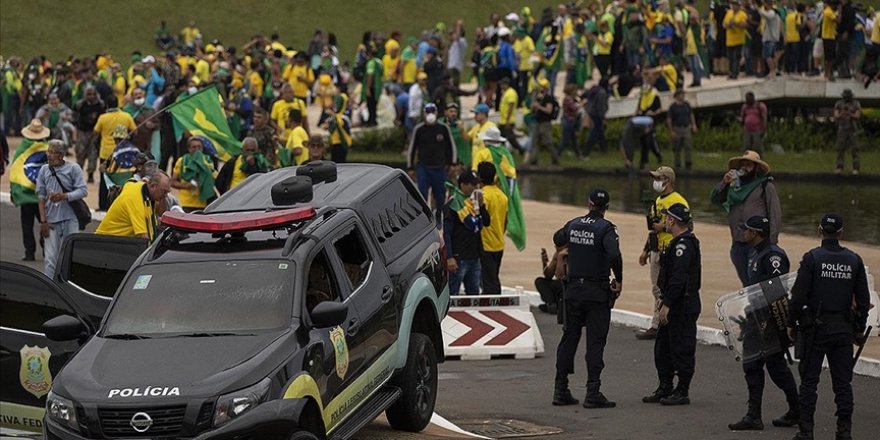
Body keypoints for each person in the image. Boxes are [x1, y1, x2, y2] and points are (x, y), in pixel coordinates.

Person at [787, 213, 870, 440]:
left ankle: (806, 432)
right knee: (843, 384)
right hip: (843, 330)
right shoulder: (854, 260)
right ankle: (844, 432)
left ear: (819, 230)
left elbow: (797, 297)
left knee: (809, 383)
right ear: (841, 233)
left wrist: (791, 323)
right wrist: (858, 329)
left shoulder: (812, 258)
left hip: (815, 329)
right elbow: (863, 300)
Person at [727, 215, 799, 431]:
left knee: (775, 368)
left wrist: (767, 320)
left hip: (768, 321)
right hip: (754, 317)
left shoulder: (773, 257)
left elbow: (776, 292)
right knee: (752, 365)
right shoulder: (754, 252)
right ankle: (754, 415)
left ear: (756, 233)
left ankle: (796, 410)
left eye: (747, 230)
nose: (743, 233)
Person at [552, 188, 622, 409]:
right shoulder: (606, 229)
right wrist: (619, 279)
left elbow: (557, 237)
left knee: (569, 339)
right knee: (595, 342)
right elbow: (614, 254)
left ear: (589, 203)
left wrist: (567, 251)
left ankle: (560, 389)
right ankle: (593, 391)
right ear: (607, 208)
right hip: (596, 293)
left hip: (573, 291)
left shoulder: (573, 223)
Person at [642, 203, 700, 406]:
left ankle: (682, 389)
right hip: (672, 300)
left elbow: (679, 278)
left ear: (672, 220)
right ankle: (665, 386)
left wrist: (667, 303)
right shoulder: (677, 243)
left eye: (667, 218)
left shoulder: (684, 246)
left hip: (682, 304)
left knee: (682, 346)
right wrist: (662, 298)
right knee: (663, 347)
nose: (664, 221)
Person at [710, 150, 782, 287]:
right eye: (742, 164)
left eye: (749, 165)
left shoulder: (765, 186)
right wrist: (724, 183)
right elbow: (715, 199)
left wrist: (771, 243)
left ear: (756, 168)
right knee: (747, 284)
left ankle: (762, 308)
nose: (744, 168)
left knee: (760, 284)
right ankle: (751, 307)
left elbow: (775, 215)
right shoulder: (733, 187)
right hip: (738, 243)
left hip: (758, 245)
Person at [636, 166, 689, 340]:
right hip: (656, 249)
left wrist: (664, 226)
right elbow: (653, 228)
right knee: (656, 288)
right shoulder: (657, 201)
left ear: (667, 179)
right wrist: (646, 250)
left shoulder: (678, 201)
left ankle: (660, 322)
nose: (656, 181)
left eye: (659, 178)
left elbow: (687, 225)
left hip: (670, 248)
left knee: (667, 287)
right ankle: (658, 322)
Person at [35, 140, 87, 275]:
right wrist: (43, 221)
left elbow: (83, 191)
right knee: (50, 258)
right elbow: (40, 196)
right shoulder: (44, 170)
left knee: (70, 256)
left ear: (62, 155)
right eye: (49, 151)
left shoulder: (73, 168)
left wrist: (64, 196)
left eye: (54, 152)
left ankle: (68, 287)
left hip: (71, 219)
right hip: (51, 221)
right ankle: (49, 289)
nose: (50, 155)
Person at [407, 103, 457, 224]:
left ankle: (439, 214)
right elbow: (412, 148)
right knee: (422, 194)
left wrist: (452, 163)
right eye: (428, 112)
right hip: (423, 167)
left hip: (439, 168)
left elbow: (451, 147)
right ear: (424, 114)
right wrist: (410, 167)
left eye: (432, 112)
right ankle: (425, 218)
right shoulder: (419, 129)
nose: (430, 115)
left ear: (436, 113)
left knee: (440, 195)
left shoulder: (443, 128)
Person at [444, 170, 490, 295]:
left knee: (474, 293)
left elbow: (486, 222)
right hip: (459, 257)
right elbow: (447, 232)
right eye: (473, 185)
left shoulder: (474, 204)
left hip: (474, 256)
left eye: (477, 185)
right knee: (452, 292)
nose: (476, 188)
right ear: (463, 185)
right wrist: (449, 257)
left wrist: (481, 206)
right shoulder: (453, 204)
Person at [96, 172, 171, 241]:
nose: (165, 196)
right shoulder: (136, 201)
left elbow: (129, 182)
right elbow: (143, 238)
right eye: (164, 191)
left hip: (119, 241)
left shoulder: (140, 187)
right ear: (153, 186)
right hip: (107, 243)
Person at [93, 107, 136, 211]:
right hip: (128, 183)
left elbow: (114, 174)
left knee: (105, 183)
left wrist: (105, 171)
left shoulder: (120, 152)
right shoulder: (133, 150)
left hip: (105, 153)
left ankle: (105, 205)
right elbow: (135, 130)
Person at [477, 161, 508, 295]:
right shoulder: (503, 196)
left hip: (485, 243)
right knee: (494, 276)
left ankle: (493, 308)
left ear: (480, 177)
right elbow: (505, 220)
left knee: (488, 281)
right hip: (499, 243)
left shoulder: (482, 196)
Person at [171, 136, 215, 212]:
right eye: (194, 147)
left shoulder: (207, 161)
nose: (197, 150)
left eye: (199, 147)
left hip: (203, 203)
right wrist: (186, 186)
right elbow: (172, 182)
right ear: (189, 149)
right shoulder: (182, 161)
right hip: (186, 203)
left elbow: (212, 178)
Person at [72, 86, 105, 183]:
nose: (91, 96)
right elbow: (74, 116)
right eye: (89, 94)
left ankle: (90, 174)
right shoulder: (80, 104)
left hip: (95, 132)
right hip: (82, 132)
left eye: (93, 94)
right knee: (80, 153)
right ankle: (78, 174)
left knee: (93, 153)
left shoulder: (101, 104)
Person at [666, 89, 697, 170]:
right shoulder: (672, 107)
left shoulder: (687, 105)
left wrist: (693, 125)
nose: (683, 96)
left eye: (683, 94)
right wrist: (671, 130)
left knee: (688, 146)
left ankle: (688, 163)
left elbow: (691, 114)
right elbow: (669, 119)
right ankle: (677, 165)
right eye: (681, 94)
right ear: (676, 96)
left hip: (686, 127)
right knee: (676, 147)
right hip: (677, 128)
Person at [530, 78, 558, 166]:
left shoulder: (548, 98)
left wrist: (539, 107)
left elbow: (549, 110)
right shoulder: (539, 97)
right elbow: (532, 108)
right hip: (537, 121)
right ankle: (533, 160)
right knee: (535, 141)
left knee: (547, 142)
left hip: (545, 122)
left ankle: (555, 158)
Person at [833, 89, 861, 175]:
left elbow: (857, 115)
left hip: (853, 128)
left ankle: (856, 167)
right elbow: (836, 116)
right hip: (842, 128)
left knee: (855, 148)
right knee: (840, 148)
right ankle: (839, 167)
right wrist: (842, 113)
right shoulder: (839, 103)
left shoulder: (856, 103)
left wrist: (850, 113)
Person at [463, 103, 497, 168]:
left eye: (476, 114)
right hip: (475, 164)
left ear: (483, 114)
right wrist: (462, 129)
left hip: (486, 165)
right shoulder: (476, 127)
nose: (474, 116)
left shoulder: (491, 127)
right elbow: (467, 139)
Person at [582, 78, 609, 159]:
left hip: (591, 112)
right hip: (597, 114)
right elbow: (601, 107)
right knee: (594, 132)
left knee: (600, 132)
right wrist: (603, 117)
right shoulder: (602, 93)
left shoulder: (595, 89)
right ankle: (586, 151)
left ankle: (604, 148)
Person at [536, 245, 566, 315]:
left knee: (559, 284)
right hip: (558, 286)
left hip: (567, 285)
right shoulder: (557, 254)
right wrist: (544, 263)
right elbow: (548, 275)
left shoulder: (568, 253)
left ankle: (559, 306)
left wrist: (561, 258)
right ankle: (551, 304)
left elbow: (560, 275)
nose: (556, 248)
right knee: (540, 281)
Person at [724, 0, 749, 79]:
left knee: (736, 57)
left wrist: (735, 23)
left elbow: (744, 25)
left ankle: (735, 73)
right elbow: (724, 24)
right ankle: (731, 72)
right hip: (729, 40)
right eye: (732, 5)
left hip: (738, 40)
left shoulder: (743, 14)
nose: (734, 6)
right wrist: (728, 25)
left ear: (739, 6)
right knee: (730, 58)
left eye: (735, 5)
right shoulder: (729, 13)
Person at [497, 78, 522, 153]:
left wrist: (507, 120)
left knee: (510, 137)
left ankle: (520, 150)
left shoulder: (511, 93)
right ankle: (503, 151)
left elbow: (511, 107)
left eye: (502, 84)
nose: (501, 86)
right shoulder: (506, 92)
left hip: (508, 120)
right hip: (503, 120)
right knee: (501, 137)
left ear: (506, 84)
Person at [821, 1, 840, 80]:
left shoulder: (830, 11)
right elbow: (837, 20)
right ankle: (828, 73)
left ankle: (828, 72)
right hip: (828, 36)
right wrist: (840, 10)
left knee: (830, 56)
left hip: (831, 35)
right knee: (829, 57)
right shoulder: (828, 12)